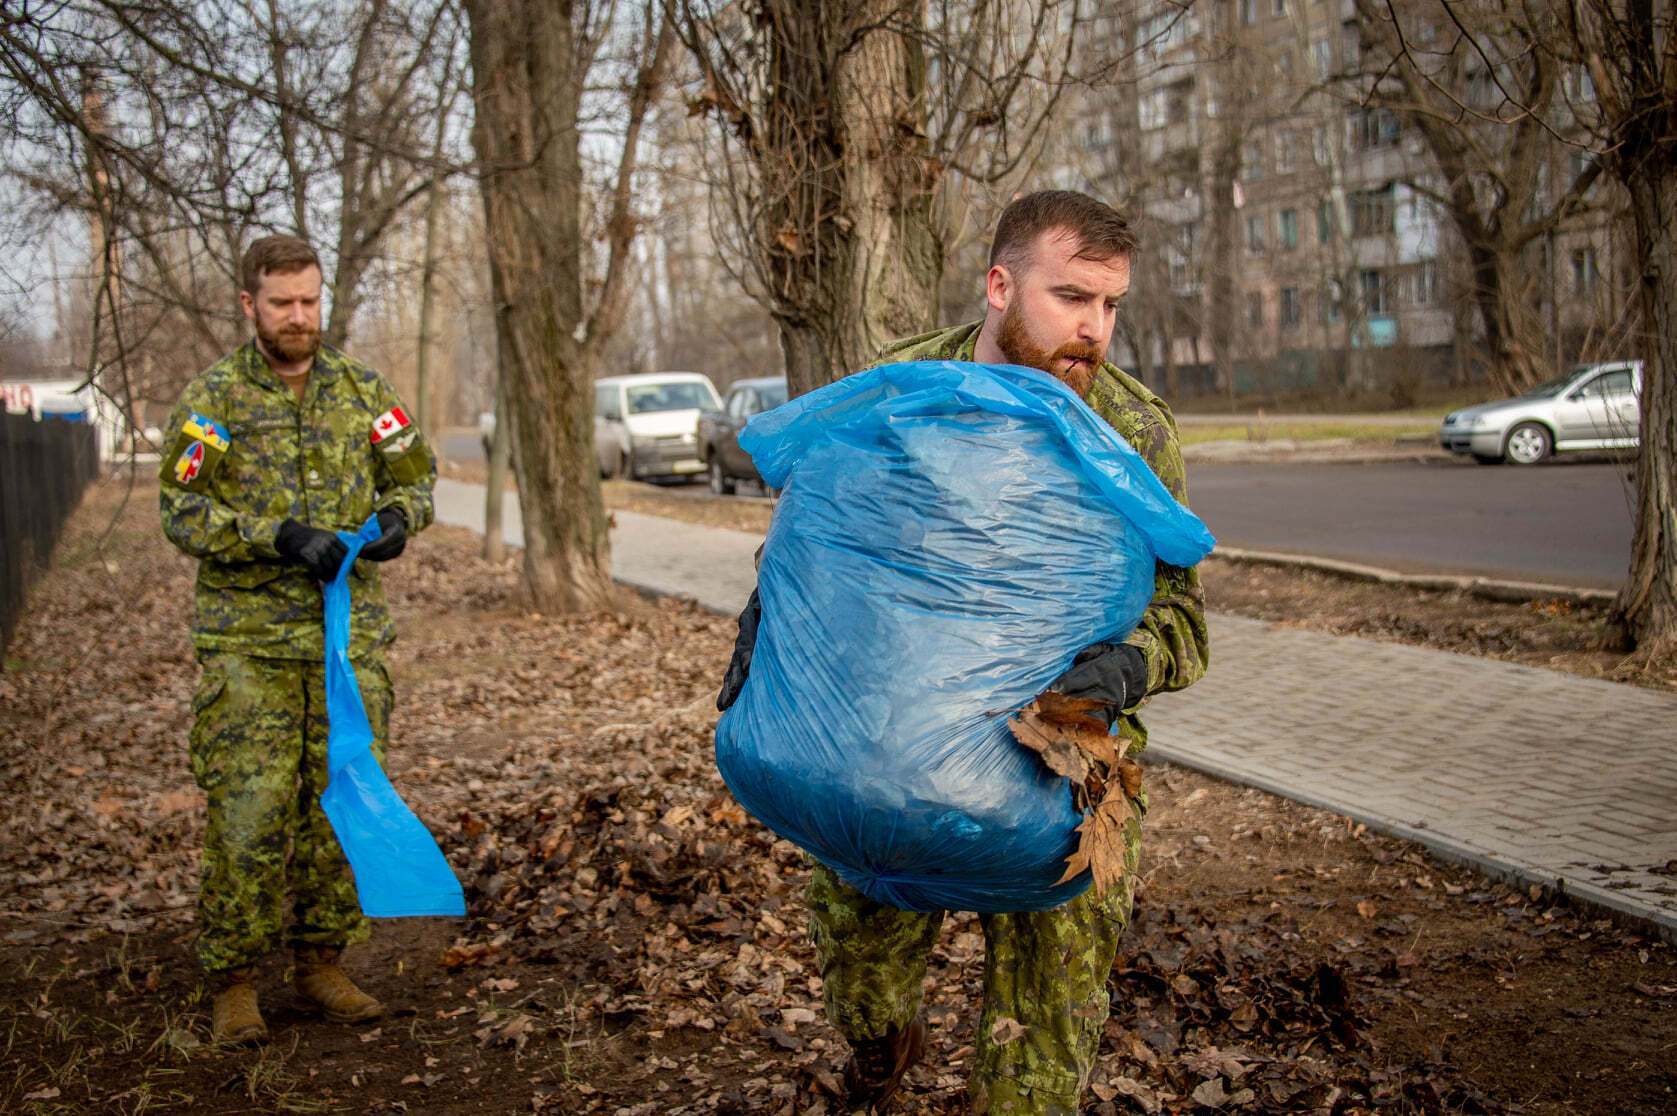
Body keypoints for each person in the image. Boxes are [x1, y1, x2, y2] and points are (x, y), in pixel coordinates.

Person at [716, 191, 1208, 1114]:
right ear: (999, 286)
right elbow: (823, 537)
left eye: (1110, 305)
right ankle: (881, 1041)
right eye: (1071, 298)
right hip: (886, 738)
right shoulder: (906, 389)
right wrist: (765, 617)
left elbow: (1181, 616)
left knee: (1045, 1024)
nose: (1095, 329)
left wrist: (1131, 666)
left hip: (1057, 756)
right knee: (860, 978)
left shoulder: (1131, 430)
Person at [159, 235, 436, 1044]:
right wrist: (274, 535)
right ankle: (234, 980)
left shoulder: (362, 391)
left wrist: (399, 519)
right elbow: (181, 511)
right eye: (281, 302)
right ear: (249, 304)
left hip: (346, 649)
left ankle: (321, 964)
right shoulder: (213, 402)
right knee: (247, 818)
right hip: (250, 649)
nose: (298, 316)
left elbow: (415, 478)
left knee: (339, 811)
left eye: (309, 300)